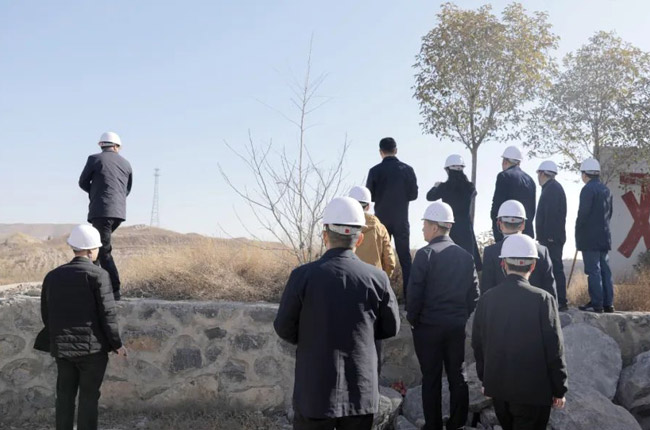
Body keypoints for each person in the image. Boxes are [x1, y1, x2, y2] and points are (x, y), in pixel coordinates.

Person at [274, 197, 400, 430]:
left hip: (314, 390)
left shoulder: (302, 276)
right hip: (360, 392)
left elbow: (284, 328)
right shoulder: (378, 278)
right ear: (359, 239)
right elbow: (390, 327)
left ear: (325, 235)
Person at [472, 234, 568, 430]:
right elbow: (554, 349)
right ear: (533, 266)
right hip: (534, 394)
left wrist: (486, 380)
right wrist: (559, 389)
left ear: (503, 264)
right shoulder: (544, 300)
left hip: (499, 390)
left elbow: (478, 344)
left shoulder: (487, 299)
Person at [40, 224, 127, 430]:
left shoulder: (52, 276)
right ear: (90, 250)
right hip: (92, 352)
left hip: (62, 349)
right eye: (96, 248)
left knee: (64, 396)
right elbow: (108, 315)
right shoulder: (99, 275)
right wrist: (117, 344)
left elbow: (46, 313)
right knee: (88, 398)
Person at [407, 200, 479, 430]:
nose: (422, 229)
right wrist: (460, 316)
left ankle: (434, 425)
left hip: (428, 327)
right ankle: (458, 423)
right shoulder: (466, 256)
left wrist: (414, 320)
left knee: (431, 378)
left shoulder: (425, 254)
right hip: (456, 326)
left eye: (425, 224)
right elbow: (474, 295)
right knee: (458, 375)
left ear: (435, 227)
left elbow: (414, 294)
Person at [78, 131, 133, 301]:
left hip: (101, 211)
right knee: (98, 247)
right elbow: (127, 189)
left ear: (101, 145)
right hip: (119, 213)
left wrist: (96, 193)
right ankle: (93, 286)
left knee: (102, 250)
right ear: (117, 146)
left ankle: (114, 290)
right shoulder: (126, 164)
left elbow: (82, 182)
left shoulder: (94, 159)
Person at [366, 137, 418, 298]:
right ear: (396, 150)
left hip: (381, 221)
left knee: (381, 258)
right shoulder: (407, 169)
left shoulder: (374, 171)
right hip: (401, 219)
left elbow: (369, 196)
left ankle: (381, 295)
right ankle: (409, 298)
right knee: (405, 259)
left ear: (380, 152)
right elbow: (414, 195)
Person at [481, 200, 556, 299]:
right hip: (536, 308)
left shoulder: (490, 252)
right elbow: (550, 293)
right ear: (523, 224)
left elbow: (486, 293)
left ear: (500, 224)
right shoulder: (542, 252)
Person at [426, 154, 482, 271]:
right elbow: (474, 192)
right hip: (466, 229)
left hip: (449, 227)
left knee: (449, 263)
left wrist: (436, 186)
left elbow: (429, 197)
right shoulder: (470, 187)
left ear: (448, 170)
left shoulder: (444, 187)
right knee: (468, 263)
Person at [576, 158, 614, 313]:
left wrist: (578, 233)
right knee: (605, 270)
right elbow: (609, 214)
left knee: (593, 270)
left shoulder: (587, 190)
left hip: (589, 237)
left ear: (585, 174)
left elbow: (583, 215)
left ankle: (597, 303)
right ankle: (608, 303)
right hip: (604, 236)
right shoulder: (606, 190)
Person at [535, 161, 568, 311]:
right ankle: (555, 299)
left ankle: (560, 300)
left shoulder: (552, 189)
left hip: (552, 238)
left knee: (555, 268)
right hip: (551, 237)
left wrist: (549, 237)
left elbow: (552, 215)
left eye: (538, 173)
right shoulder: (551, 188)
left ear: (543, 173)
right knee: (551, 268)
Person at [490, 146, 536, 242]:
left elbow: (496, 206)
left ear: (505, 161)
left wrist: (497, 229)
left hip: (507, 232)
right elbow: (532, 210)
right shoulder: (530, 180)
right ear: (519, 162)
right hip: (526, 233)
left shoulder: (503, 176)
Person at [348, 186, 396, 278]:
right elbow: (390, 262)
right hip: (373, 280)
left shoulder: (340, 227)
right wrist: (381, 280)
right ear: (368, 206)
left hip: (349, 280)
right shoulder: (380, 228)